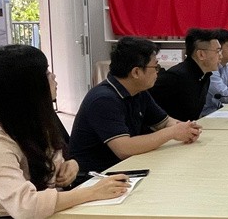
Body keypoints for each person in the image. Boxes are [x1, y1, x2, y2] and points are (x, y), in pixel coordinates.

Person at [0, 45, 130, 218]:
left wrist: (70, 167)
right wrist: (92, 192)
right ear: (25, 87)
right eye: (46, 73)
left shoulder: (35, 124)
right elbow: (26, 207)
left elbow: (48, 174)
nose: (53, 77)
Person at [69, 37, 202, 175]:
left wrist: (186, 129)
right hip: (95, 176)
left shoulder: (138, 91)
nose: (158, 71)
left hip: (124, 168)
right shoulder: (103, 99)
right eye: (155, 67)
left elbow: (163, 122)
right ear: (136, 72)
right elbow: (124, 149)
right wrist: (173, 132)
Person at [149, 28, 221, 121]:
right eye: (217, 51)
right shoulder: (175, 77)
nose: (221, 56)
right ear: (201, 54)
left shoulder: (205, 76)